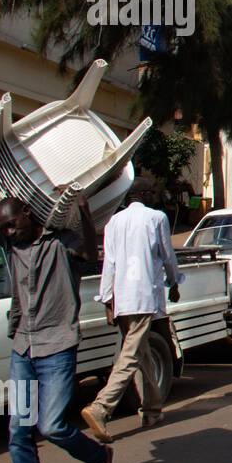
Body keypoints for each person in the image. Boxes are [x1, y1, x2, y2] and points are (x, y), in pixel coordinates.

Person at [0, 146, 114, 463]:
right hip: (23, 346)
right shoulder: (9, 246)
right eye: (3, 229)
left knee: (51, 426)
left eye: (12, 225)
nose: (8, 233)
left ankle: (99, 457)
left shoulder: (59, 243)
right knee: (18, 431)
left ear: (29, 217)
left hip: (57, 346)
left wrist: (82, 208)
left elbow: (88, 250)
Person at [81, 178, 185, 442]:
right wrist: (174, 282)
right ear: (144, 194)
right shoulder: (156, 218)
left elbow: (110, 262)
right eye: (151, 192)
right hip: (143, 296)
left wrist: (107, 299)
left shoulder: (114, 222)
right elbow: (167, 254)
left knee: (143, 353)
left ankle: (151, 409)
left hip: (123, 298)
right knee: (130, 356)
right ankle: (101, 408)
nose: (153, 196)